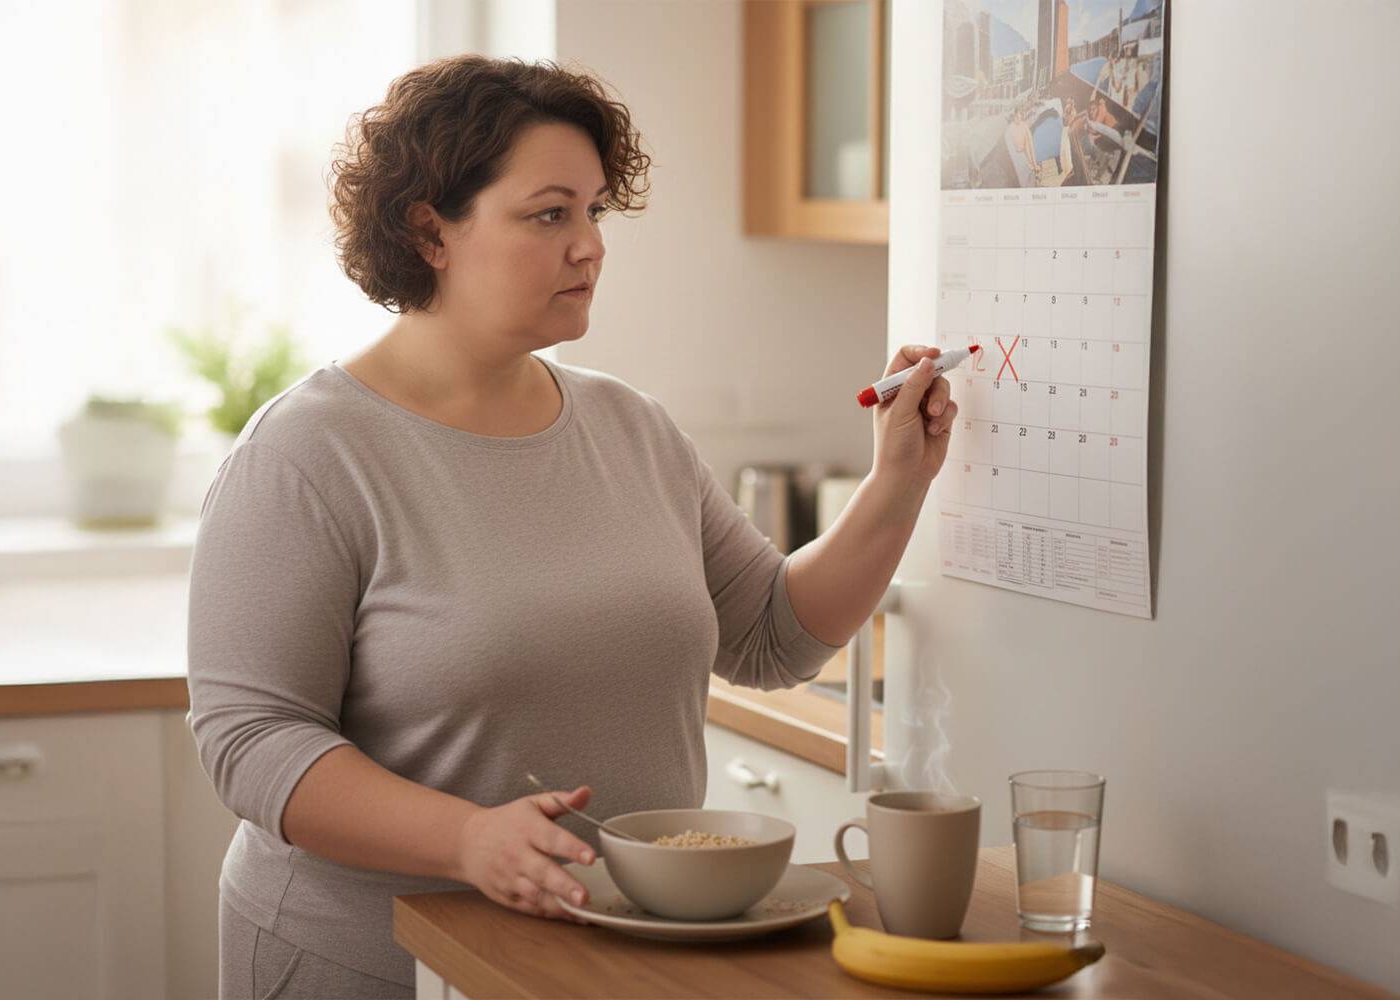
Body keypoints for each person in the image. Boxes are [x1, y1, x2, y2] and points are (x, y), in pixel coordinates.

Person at [187, 54, 959, 999]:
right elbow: (252, 738)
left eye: (595, 210)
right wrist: (467, 837)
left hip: (603, 956)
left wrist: (899, 479)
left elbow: (771, 635)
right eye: (549, 213)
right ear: (428, 230)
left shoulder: (627, 425)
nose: (589, 244)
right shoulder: (309, 453)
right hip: (365, 961)